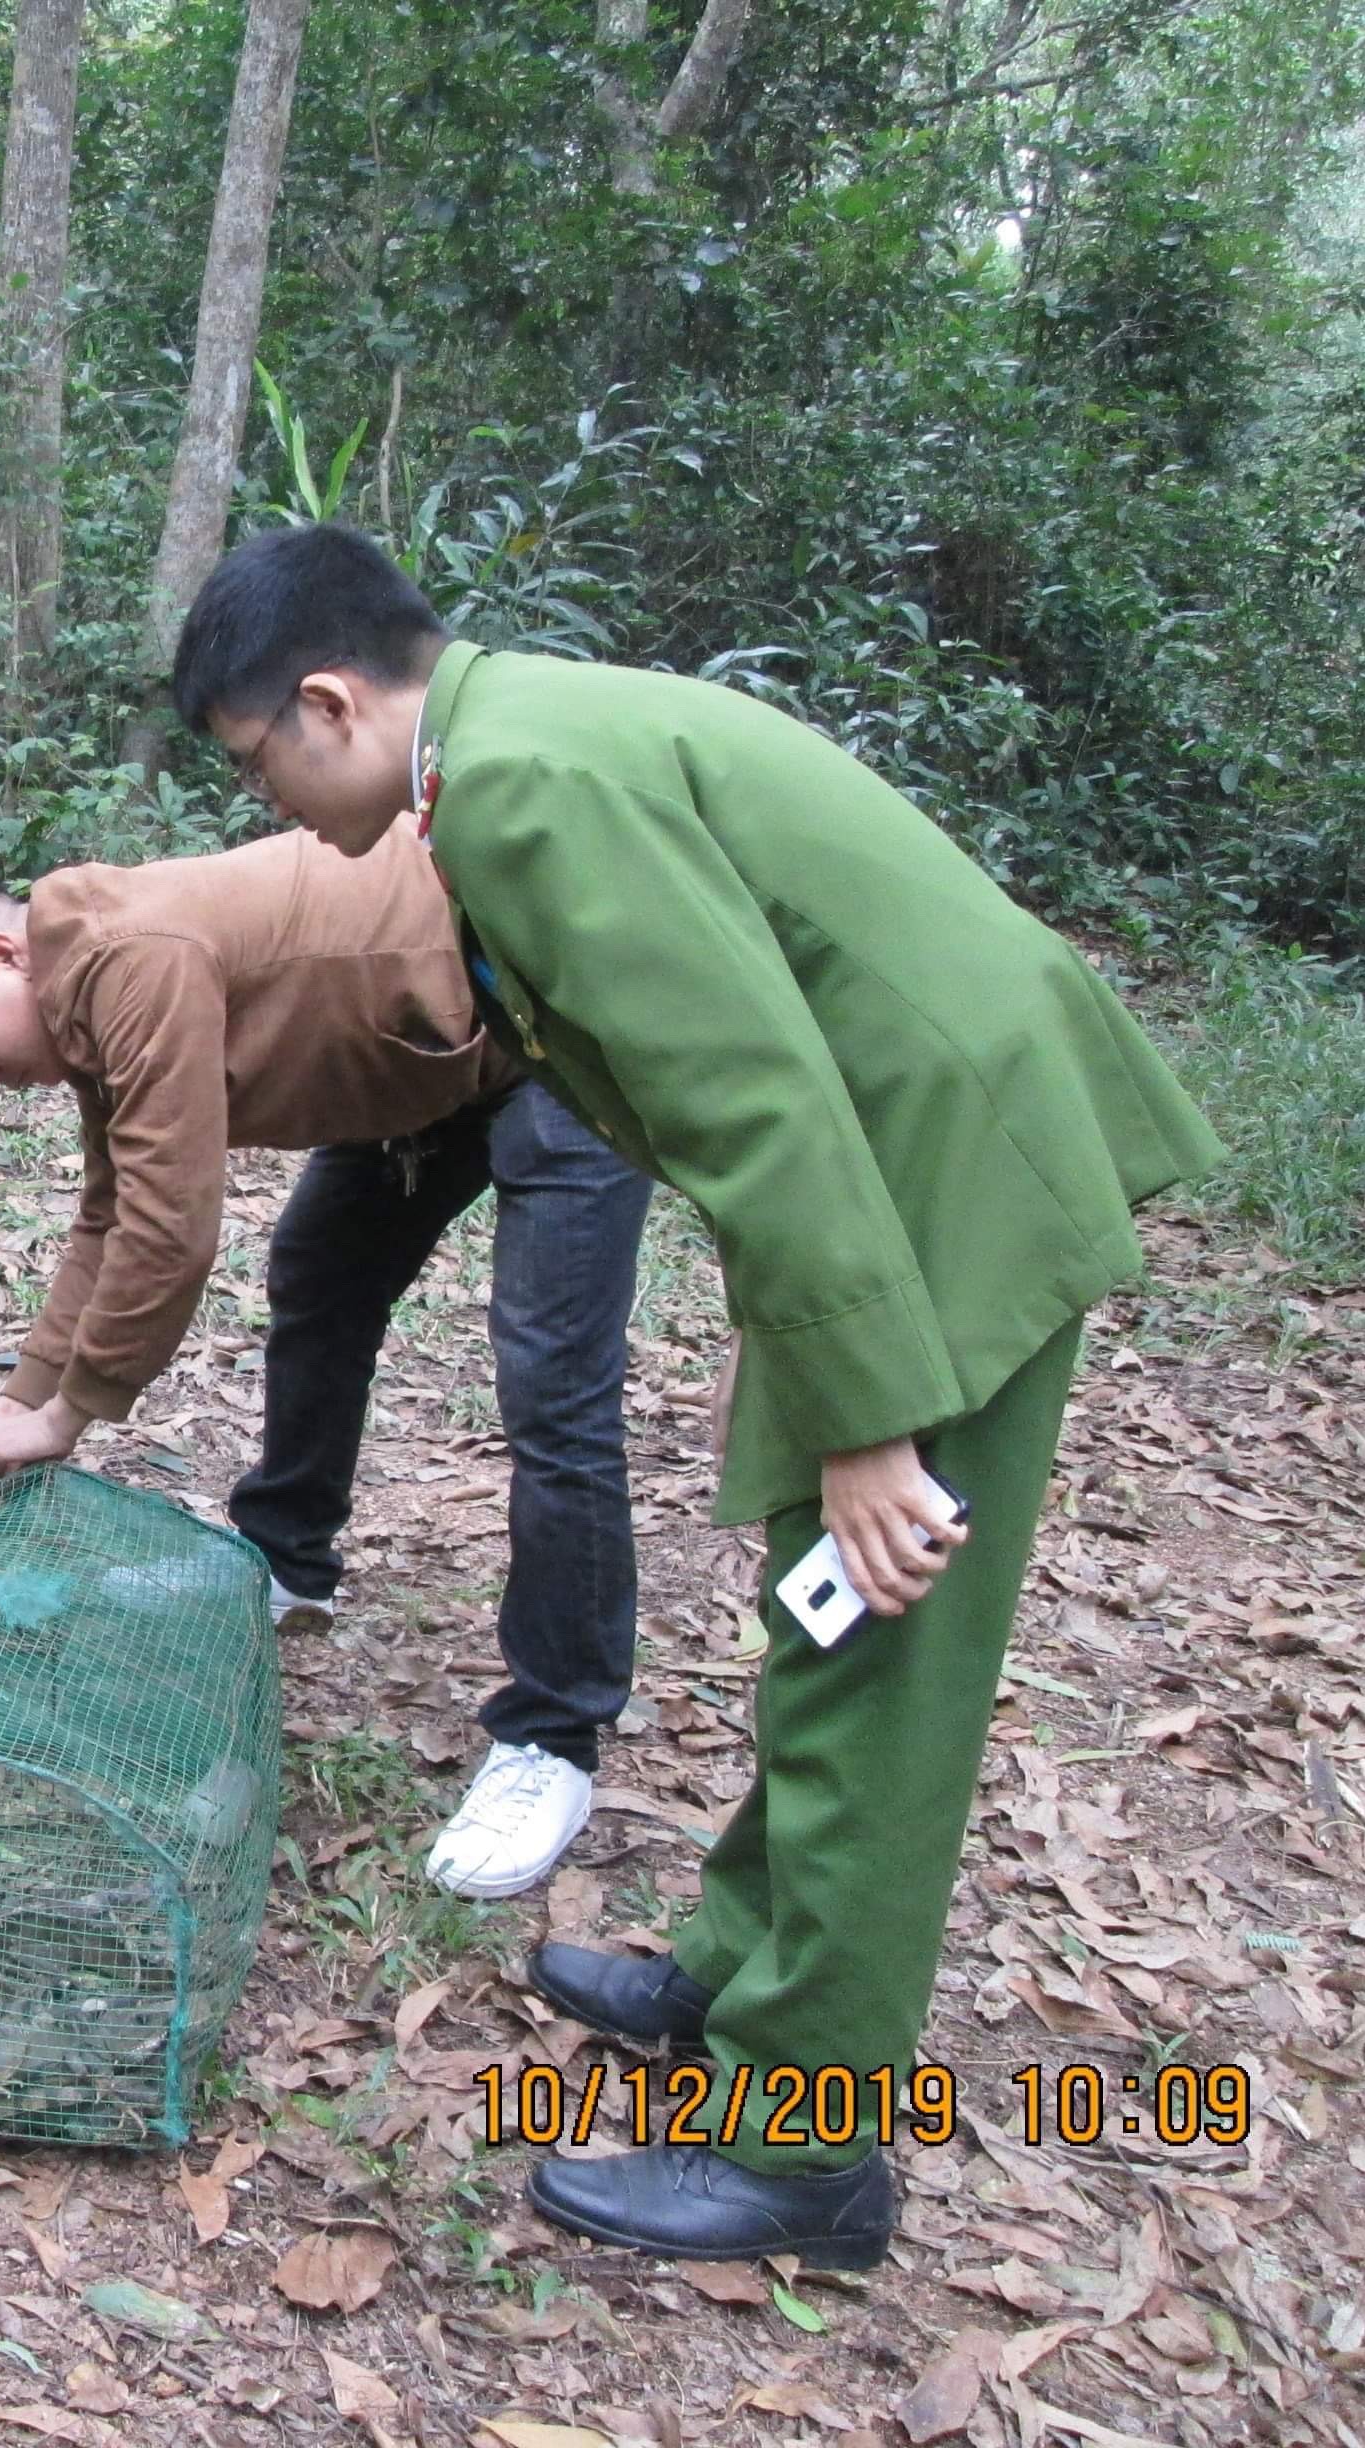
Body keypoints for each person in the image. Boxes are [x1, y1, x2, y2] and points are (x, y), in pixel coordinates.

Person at [170, 523, 1222, 2269]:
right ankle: (740, 1967)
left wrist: (865, 1415)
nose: (266, 807)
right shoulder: (509, 742)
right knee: (818, 1621)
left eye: (253, 762)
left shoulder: (512, 786)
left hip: (930, 1167)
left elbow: (752, 1101)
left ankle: (805, 2145)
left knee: (876, 1654)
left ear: (330, 703)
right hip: (897, 1159)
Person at [0, 831, 653, 1896]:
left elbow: (169, 1232)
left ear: (8, 954)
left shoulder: (129, 957)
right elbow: (109, 1212)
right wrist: (21, 1400)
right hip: (419, 1073)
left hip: (550, 1036)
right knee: (320, 1273)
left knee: (552, 1380)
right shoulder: (87, 987)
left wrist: (67, 1416)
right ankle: (285, 1562)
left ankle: (554, 1740)